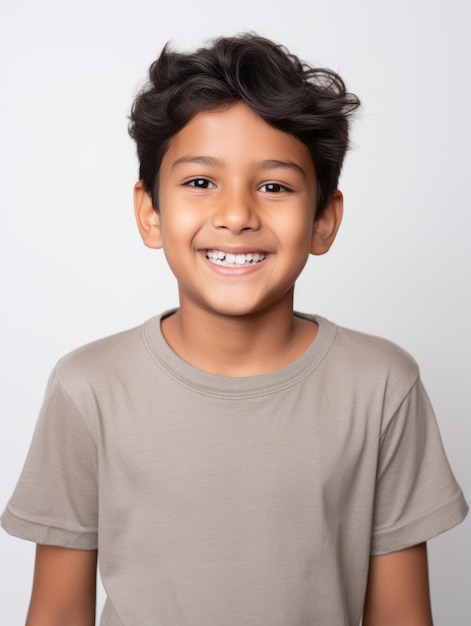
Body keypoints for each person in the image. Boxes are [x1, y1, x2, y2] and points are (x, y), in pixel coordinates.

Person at [1, 33, 468, 626]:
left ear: (324, 220)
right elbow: (58, 612)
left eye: (274, 186)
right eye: (200, 182)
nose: (237, 215)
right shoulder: (88, 387)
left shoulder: (381, 386)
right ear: (150, 212)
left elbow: (402, 616)